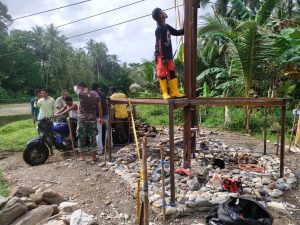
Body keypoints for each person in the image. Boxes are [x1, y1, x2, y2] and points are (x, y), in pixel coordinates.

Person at [152, 7, 185, 100]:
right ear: (160, 15)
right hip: (161, 56)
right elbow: (159, 44)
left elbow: (177, 32)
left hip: (168, 55)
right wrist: (163, 57)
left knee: (172, 72)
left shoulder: (167, 27)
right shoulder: (158, 29)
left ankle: (175, 92)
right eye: (162, 11)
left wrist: (185, 28)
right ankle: (165, 93)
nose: (164, 12)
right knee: (162, 74)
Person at [74, 82, 102, 161]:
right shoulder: (95, 94)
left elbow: (75, 87)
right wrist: (100, 118)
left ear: (81, 87)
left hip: (82, 119)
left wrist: (77, 87)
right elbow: (99, 107)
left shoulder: (81, 94)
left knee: (81, 136)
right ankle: (93, 156)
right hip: (92, 119)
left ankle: (82, 156)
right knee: (92, 137)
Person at [92, 83, 108, 155]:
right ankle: (110, 145)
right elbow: (107, 103)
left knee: (99, 132)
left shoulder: (92, 94)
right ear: (98, 87)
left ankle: (99, 150)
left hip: (98, 116)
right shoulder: (103, 93)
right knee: (108, 130)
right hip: (105, 114)